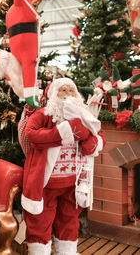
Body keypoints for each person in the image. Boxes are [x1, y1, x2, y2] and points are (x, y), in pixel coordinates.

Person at [21, 78, 105, 255]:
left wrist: (94, 142)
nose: (68, 94)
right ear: (53, 94)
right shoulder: (44, 114)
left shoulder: (84, 115)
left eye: (71, 90)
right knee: (40, 220)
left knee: (69, 219)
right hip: (46, 182)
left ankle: (67, 251)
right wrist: (65, 132)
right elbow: (31, 134)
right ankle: (39, 251)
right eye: (63, 90)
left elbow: (99, 134)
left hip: (73, 182)